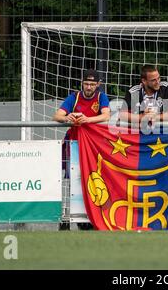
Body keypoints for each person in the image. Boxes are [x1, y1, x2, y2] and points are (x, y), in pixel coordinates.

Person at [53, 69, 110, 230]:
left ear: (98, 84)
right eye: (86, 83)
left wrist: (87, 120)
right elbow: (56, 116)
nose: (89, 87)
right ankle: (69, 217)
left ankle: (91, 217)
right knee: (72, 179)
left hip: (93, 145)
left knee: (93, 178)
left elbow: (106, 115)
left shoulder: (101, 97)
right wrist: (67, 118)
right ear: (82, 83)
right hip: (74, 144)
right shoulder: (74, 97)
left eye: (92, 84)